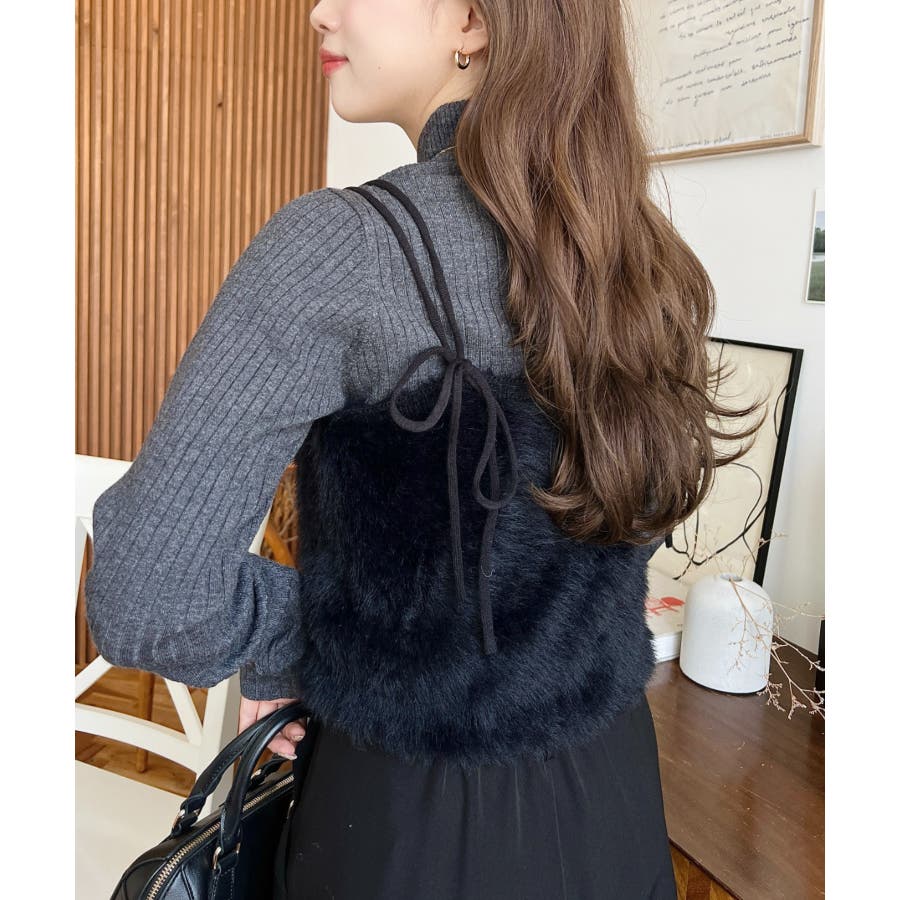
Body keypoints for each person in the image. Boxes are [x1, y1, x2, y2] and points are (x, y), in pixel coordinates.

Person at [85, 1, 762, 897]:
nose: (320, 12)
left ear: (473, 20)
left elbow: (146, 596)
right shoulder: (638, 255)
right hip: (613, 798)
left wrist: (313, 633)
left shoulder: (339, 247)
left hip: (413, 826)